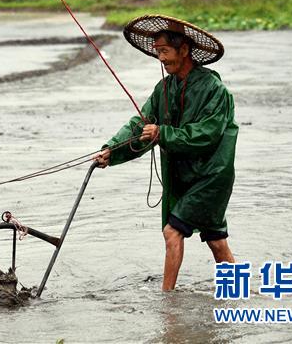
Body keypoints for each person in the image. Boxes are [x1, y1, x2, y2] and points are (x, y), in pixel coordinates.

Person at [93, 15, 238, 291]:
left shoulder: (214, 90)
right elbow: (140, 124)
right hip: (182, 175)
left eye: (165, 51)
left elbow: (208, 134)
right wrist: (111, 151)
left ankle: (167, 304)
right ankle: (238, 293)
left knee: (172, 232)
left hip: (211, 175)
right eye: (158, 52)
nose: (161, 58)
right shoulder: (164, 89)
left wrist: (164, 133)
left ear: (184, 50)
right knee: (217, 241)